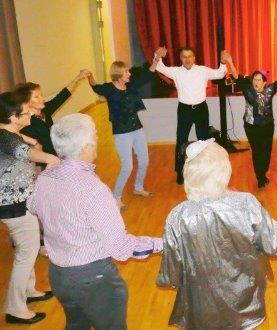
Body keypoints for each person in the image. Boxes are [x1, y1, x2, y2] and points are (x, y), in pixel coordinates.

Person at [157, 140, 277, 329]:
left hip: (201, 308)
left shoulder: (177, 216)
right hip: (243, 304)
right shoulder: (245, 204)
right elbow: (276, 244)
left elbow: (170, 276)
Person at [27, 113, 163, 329]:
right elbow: (121, 247)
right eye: (95, 135)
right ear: (86, 146)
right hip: (94, 280)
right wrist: (163, 243)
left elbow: (33, 206)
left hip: (59, 276)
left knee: (76, 325)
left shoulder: (45, 178)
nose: (97, 139)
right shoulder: (93, 189)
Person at [0, 92, 59, 325]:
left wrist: (28, 138)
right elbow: (27, 153)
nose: (30, 115)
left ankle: (28, 290)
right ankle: (15, 308)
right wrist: (50, 158)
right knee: (27, 253)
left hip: (21, 202)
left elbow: (26, 145)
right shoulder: (7, 138)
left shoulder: (10, 134)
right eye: (25, 113)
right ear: (13, 117)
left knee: (28, 249)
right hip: (14, 206)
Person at [88, 58, 161, 207]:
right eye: (126, 71)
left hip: (137, 129)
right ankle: (116, 197)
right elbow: (95, 87)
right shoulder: (109, 89)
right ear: (118, 74)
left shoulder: (131, 85)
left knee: (144, 160)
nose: (129, 74)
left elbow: (148, 75)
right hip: (121, 133)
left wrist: (156, 59)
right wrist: (89, 76)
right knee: (127, 167)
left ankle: (138, 187)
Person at [155, 46, 230, 184]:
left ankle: (205, 170)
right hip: (184, 110)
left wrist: (223, 62)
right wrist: (157, 55)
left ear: (194, 58)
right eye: (184, 56)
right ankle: (180, 172)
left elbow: (220, 74)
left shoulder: (202, 70)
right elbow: (159, 67)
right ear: (180, 58)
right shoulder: (176, 72)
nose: (187, 59)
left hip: (201, 109)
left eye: (190, 56)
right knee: (181, 140)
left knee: (204, 141)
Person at [227, 57, 277, 188]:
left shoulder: (270, 90)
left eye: (259, 80)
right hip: (251, 127)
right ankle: (260, 177)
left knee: (267, 152)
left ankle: (263, 173)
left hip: (268, 126)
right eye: (254, 79)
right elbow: (235, 76)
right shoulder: (247, 89)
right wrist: (230, 62)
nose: (256, 82)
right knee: (257, 151)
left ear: (265, 82)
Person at [14, 70, 91, 156]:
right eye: (36, 97)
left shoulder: (44, 110)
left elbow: (63, 95)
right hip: (45, 160)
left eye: (41, 95)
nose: (42, 99)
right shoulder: (27, 124)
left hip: (56, 153)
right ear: (26, 102)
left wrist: (78, 78)